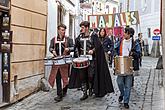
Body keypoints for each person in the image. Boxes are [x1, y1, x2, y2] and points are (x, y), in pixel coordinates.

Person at [69, 21, 114, 100]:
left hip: (92, 60)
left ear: (87, 28)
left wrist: (93, 50)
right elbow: (76, 47)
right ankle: (84, 93)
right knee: (82, 76)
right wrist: (74, 51)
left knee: (91, 75)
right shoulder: (79, 37)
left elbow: (98, 46)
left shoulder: (93, 36)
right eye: (81, 27)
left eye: (83, 27)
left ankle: (90, 89)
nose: (81, 29)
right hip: (82, 59)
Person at [116, 27, 141, 109]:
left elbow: (138, 54)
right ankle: (122, 94)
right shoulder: (120, 41)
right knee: (119, 82)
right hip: (121, 64)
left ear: (129, 34)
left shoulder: (135, 43)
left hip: (130, 66)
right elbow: (115, 49)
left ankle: (126, 101)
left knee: (128, 85)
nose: (124, 34)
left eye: (125, 33)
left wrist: (133, 53)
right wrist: (114, 54)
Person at [48, 24, 73, 102]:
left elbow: (73, 47)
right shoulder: (53, 39)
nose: (63, 31)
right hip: (57, 61)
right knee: (57, 77)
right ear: (58, 30)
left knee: (65, 77)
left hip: (65, 61)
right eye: (62, 30)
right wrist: (53, 51)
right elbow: (50, 47)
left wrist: (68, 49)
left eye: (64, 30)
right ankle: (59, 94)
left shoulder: (69, 39)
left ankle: (64, 90)